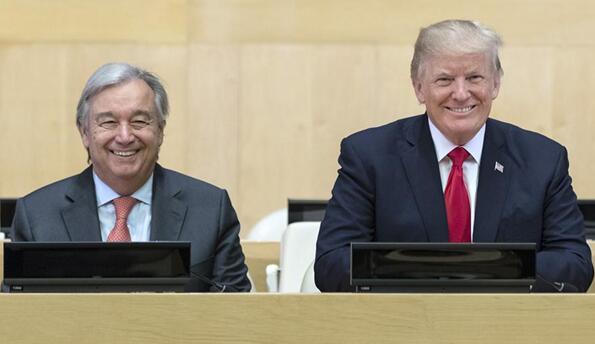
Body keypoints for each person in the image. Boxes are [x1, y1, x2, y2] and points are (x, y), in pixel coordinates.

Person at [315, 19, 593, 292]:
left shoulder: (543, 159)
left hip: (507, 328)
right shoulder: (369, 156)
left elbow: (574, 264)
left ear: (495, 84)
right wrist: (439, 269)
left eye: (474, 78)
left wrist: (489, 268)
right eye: (445, 79)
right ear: (418, 87)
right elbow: (332, 264)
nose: (461, 94)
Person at [11, 62, 251, 292]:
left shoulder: (210, 210)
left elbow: (235, 314)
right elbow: (19, 317)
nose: (125, 136)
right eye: (109, 122)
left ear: (160, 131)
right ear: (84, 132)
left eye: (139, 121)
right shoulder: (37, 216)